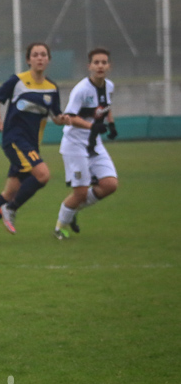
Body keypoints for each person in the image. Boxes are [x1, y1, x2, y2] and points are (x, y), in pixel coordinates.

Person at [0, 42, 66, 245]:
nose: (39, 58)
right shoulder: (18, 81)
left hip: (31, 145)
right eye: (35, 54)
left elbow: (57, 117)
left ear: (48, 59)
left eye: (43, 54)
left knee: (10, 192)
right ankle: (10, 209)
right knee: (43, 175)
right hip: (14, 139)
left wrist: (64, 119)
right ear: (28, 60)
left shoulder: (51, 88)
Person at [52, 48, 118, 240]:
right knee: (80, 194)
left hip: (94, 144)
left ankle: (71, 210)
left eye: (104, 62)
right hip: (75, 145)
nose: (100, 66)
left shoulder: (109, 86)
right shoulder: (81, 89)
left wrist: (111, 124)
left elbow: (106, 107)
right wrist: (92, 127)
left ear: (109, 66)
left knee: (110, 184)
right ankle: (60, 227)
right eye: (96, 62)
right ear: (89, 66)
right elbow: (70, 117)